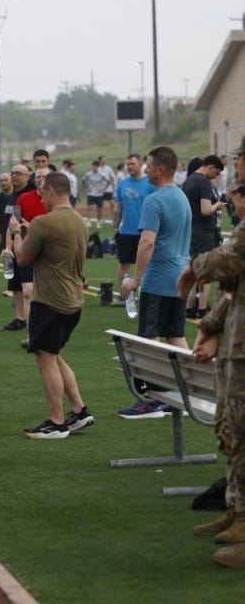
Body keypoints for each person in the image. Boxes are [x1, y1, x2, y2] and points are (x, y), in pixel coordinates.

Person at [178, 168, 245, 567]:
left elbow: (228, 261)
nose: (232, 196)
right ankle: (237, 512)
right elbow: (231, 287)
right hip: (235, 342)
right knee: (234, 431)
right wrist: (210, 327)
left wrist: (195, 267)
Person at [7, 171, 92, 439]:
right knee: (53, 355)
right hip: (73, 300)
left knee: (45, 359)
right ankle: (79, 410)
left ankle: (56, 423)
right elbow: (58, 250)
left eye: (43, 192)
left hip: (50, 301)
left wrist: (16, 234)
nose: (40, 197)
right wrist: (30, 232)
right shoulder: (80, 220)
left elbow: (22, 258)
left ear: (53, 191)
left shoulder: (44, 222)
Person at [118, 146, 192, 419]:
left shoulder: (154, 199)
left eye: (148, 165)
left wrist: (135, 279)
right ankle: (188, 394)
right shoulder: (182, 197)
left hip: (159, 278)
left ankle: (152, 400)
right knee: (175, 334)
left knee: (150, 338)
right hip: (179, 277)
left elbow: (147, 242)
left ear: (160, 170)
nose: (145, 169)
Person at [182, 154, 227, 318]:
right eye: (216, 173)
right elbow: (206, 210)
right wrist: (217, 206)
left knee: (193, 269)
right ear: (211, 167)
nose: (215, 177)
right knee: (206, 271)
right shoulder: (204, 182)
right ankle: (202, 309)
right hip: (205, 232)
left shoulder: (188, 181)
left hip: (191, 230)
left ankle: (189, 306)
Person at [112, 153, 157, 289]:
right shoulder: (122, 184)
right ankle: (124, 295)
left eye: (132, 164)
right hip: (126, 232)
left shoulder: (150, 184)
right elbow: (118, 209)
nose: (129, 167)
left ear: (140, 165)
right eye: (127, 164)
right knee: (124, 266)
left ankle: (145, 294)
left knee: (147, 266)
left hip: (145, 233)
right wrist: (115, 227)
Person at [2, 165, 35, 332]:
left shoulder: (31, 194)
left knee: (28, 286)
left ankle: (31, 322)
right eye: (12, 173)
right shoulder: (11, 196)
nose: (14, 176)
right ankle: (20, 318)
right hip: (11, 244)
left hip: (25, 245)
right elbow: (9, 222)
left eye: (18, 174)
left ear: (27, 176)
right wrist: (6, 247)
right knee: (15, 284)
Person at [82, 159, 112, 227]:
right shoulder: (88, 174)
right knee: (89, 208)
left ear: (98, 167)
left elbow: (108, 182)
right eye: (94, 166)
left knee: (99, 209)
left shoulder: (102, 174)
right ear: (92, 166)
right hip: (91, 193)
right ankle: (88, 221)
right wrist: (86, 188)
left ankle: (98, 222)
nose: (95, 167)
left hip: (99, 194)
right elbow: (83, 180)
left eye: (96, 166)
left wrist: (103, 189)